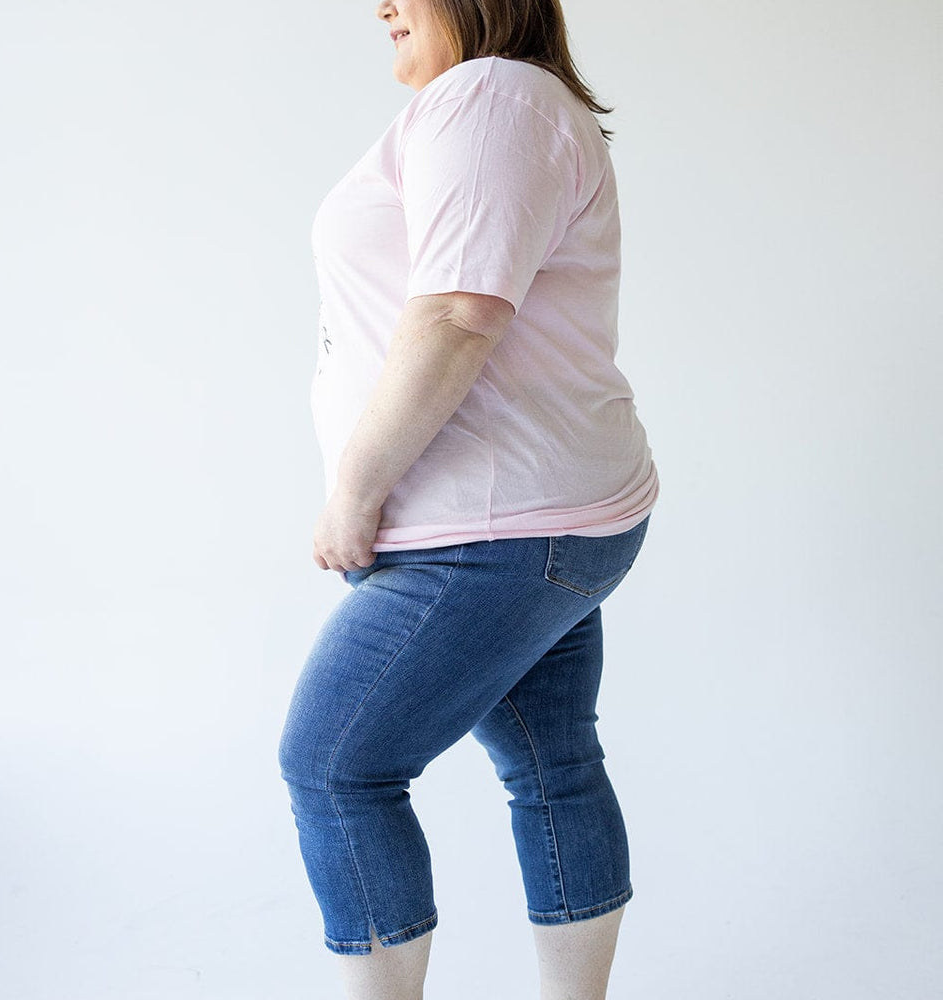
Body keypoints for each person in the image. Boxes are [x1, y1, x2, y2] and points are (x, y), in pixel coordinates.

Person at [278, 1, 660, 997]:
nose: (383, 6)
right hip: (543, 522)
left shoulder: (490, 93)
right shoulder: (504, 103)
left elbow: (455, 313)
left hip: (491, 533)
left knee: (334, 767)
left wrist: (354, 494)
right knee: (553, 764)